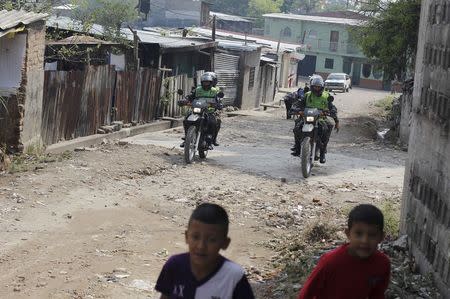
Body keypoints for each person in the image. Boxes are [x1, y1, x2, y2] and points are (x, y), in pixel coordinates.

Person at [155, 203, 255, 299]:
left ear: (225, 243)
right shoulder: (174, 266)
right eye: (195, 237)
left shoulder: (234, 277)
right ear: (186, 237)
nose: (201, 246)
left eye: (212, 240)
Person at [298, 204, 391, 299]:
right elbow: (307, 293)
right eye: (358, 234)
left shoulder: (382, 264)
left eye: (372, 235)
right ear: (348, 234)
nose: (365, 241)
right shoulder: (331, 262)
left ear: (381, 237)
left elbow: (377, 294)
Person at [291, 75, 339, 163]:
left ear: (322, 87)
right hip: (306, 117)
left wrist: (331, 113)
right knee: (297, 127)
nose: (316, 88)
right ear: (312, 87)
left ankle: (322, 152)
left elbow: (332, 107)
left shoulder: (326, 96)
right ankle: (297, 147)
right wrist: (296, 109)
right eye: (315, 87)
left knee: (327, 127)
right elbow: (298, 104)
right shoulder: (307, 95)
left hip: (320, 119)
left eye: (318, 87)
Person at [179, 73, 222, 148]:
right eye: (204, 82)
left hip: (209, 111)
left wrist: (218, 104)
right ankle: (187, 138)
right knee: (186, 120)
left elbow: (218, 100)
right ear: (202, 82)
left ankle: (210, 139)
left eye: (207, 82)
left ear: (211, 83)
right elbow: (190, 97)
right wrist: (184, 100)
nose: (206, 84)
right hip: (197, 110)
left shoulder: (214, 91)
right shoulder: (198, 90)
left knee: (213, 122)